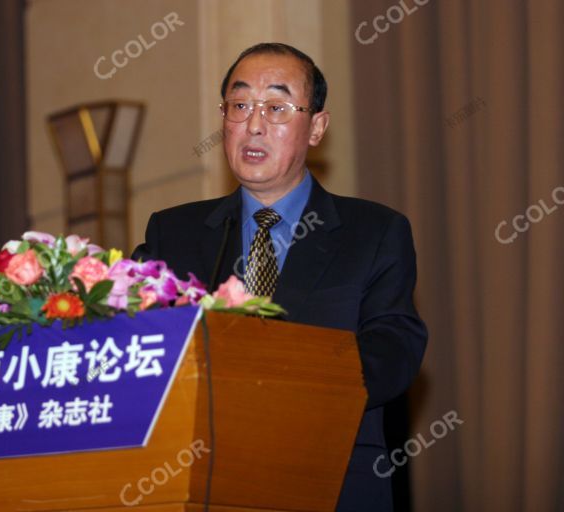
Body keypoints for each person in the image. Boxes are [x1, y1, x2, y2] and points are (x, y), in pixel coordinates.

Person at [132, 42, 427, 511]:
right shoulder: (174, 232)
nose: (253, 124)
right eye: (240, 104)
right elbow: (134, 335)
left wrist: (287, 386)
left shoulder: (374, 231)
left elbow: (395, 347)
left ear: (317, 127)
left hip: (328, 478)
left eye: (276, 106)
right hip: (196, 481)